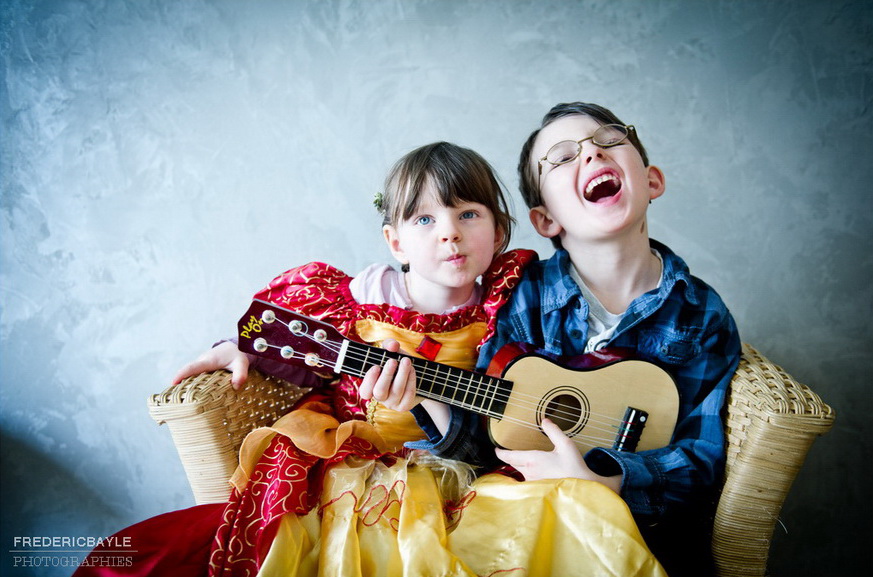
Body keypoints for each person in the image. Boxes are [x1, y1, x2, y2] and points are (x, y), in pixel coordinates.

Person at [75, 141, 665, 576]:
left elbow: (551, 374)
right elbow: (291, 343)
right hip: (360, 459)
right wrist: (239, 345)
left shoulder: (516, 296)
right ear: (395, 241)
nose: (449, 234)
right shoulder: (359, 303)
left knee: (563, 526)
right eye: (425, 219)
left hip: (473, 465)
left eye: (468, 215)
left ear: (500, 231)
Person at [368, 103, 741, 577]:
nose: (590, 156)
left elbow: (703, 458)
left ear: (651, 181)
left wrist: (606, 480)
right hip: (521, 519)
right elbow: (487, 443)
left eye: (609, 141)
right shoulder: (520, 297)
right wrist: (424, 394)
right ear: (545, 220)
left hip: (634, 529)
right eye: (563, 158)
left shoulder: (700, 312)